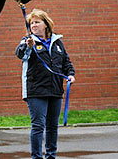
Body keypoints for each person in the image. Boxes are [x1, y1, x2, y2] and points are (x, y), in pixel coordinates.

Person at [15, 9, 75, 159]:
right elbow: (20, 54)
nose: (34, 25)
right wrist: (29, 46)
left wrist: (70, 75)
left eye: (37, 22)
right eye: (31, 23)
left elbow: (66, 62)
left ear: (46, 24)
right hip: (35, 91)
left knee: (52, 127)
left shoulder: (57, 42)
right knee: (38, 126)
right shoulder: (27, 40)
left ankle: (51, 156)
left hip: (55, 90)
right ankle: (36, 157)